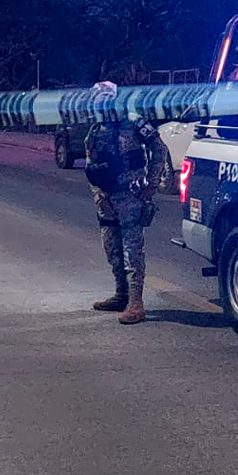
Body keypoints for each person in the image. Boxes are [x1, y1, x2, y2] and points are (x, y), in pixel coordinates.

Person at [83, 80, 164, 324]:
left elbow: (159, 149)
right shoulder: (96, 128)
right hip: (106, 199)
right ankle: (121, 295)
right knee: (112, 250)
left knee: (132, 251)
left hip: (131, 196)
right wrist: (98, 195)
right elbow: (91, 166)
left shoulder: (134, 122)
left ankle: (136, 303)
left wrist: (152, 184)